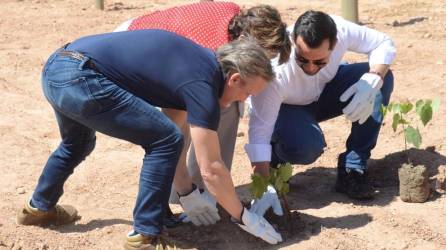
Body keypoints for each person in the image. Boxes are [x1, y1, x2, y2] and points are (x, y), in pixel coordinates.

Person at [16, 30, 282, 249]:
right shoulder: (203, 85)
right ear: (235, 78)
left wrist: (187, 193)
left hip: (56, 69)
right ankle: (145, 235)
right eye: (247, 93)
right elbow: (211, 169)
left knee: (78, 142)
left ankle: (39, 208)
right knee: (164, 140)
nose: (244, 101)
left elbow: (171, 128)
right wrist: (244, 217)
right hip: (82, 77)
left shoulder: (197, 65)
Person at [114, 1, 291, 224]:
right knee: (173, 131)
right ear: (247, 42)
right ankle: (167, 200)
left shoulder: (236, 22)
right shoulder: (210, 53)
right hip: (130, 53)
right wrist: (187, 193)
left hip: (144, 45)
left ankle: (205, 191)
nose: (262, 63)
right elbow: (177, 115)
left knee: (226, 105)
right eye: (262, 56)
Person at [245, 10, 396, 216]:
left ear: (333, 45)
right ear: (293, 42)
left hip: (323, 93)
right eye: (302, 59)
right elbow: (259, 132)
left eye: (319, 62)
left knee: (382, 80)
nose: (309, 67)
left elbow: (383, 43)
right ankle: (276, 161)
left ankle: (353, 168)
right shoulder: (276, 70)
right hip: (286, 108)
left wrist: (373, 79)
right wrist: (262, 184)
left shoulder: (340, 30)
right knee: (308, 147)